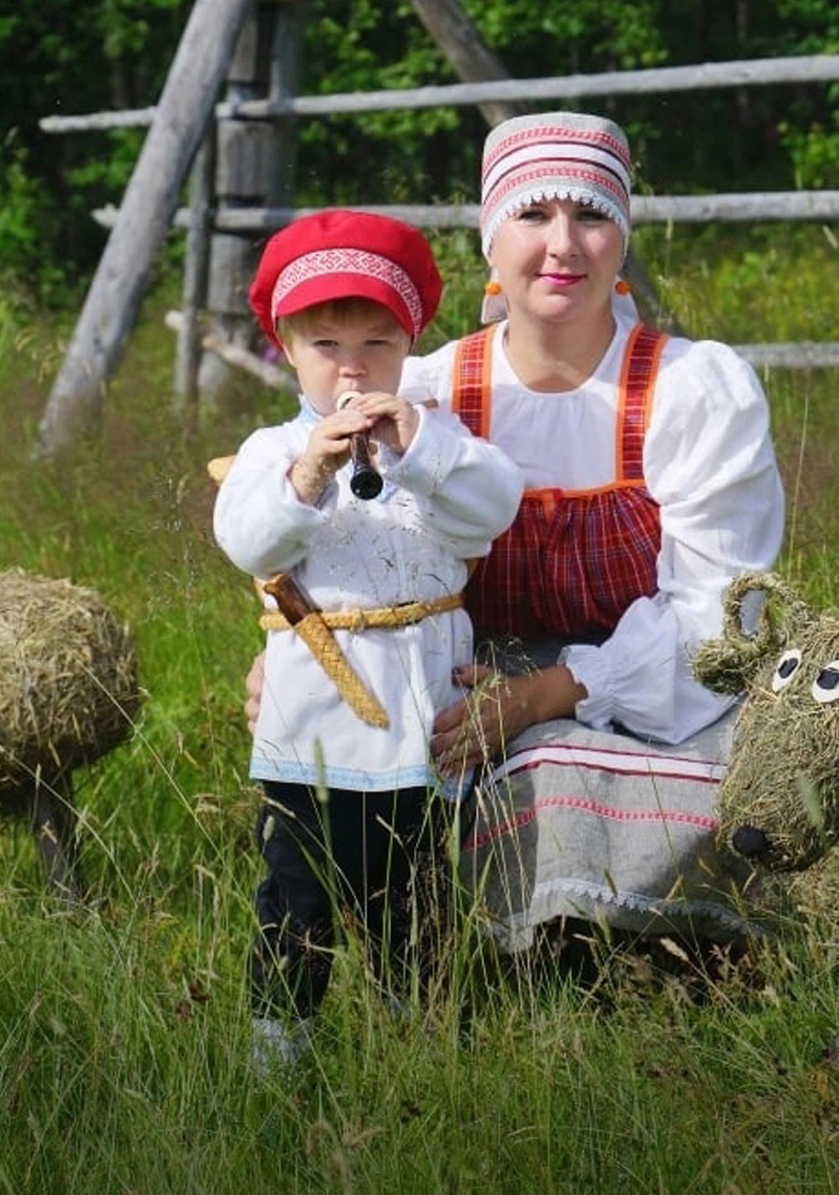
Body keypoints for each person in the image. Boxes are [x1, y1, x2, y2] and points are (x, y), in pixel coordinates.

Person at [246, 111, 786, 955]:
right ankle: (504, 961)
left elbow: (724, 621)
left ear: (623, 239)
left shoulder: (693, 387)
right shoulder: (422, 391)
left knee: (740, 781)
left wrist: (541, 695)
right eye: (533, 215)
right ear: (492, 244)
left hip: (657, 688)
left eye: (593, 215)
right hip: (455, 677)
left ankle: (677, 955)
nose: (563, 244)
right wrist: (303, 652)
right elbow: (321, 533)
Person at [215, 210, 522, 1065]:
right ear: (285, 349)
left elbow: (491, 506)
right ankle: (280, 1053)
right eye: (326, 345)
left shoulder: (438, 437)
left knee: (415, 897)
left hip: (422, 723)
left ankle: (422, 1051)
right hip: (312, 729)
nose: (353, 366)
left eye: (377, 343)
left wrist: (414, 450)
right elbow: (248, 540)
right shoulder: (273, 449)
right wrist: (310, 470)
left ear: (408, 345)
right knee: (296, 895)